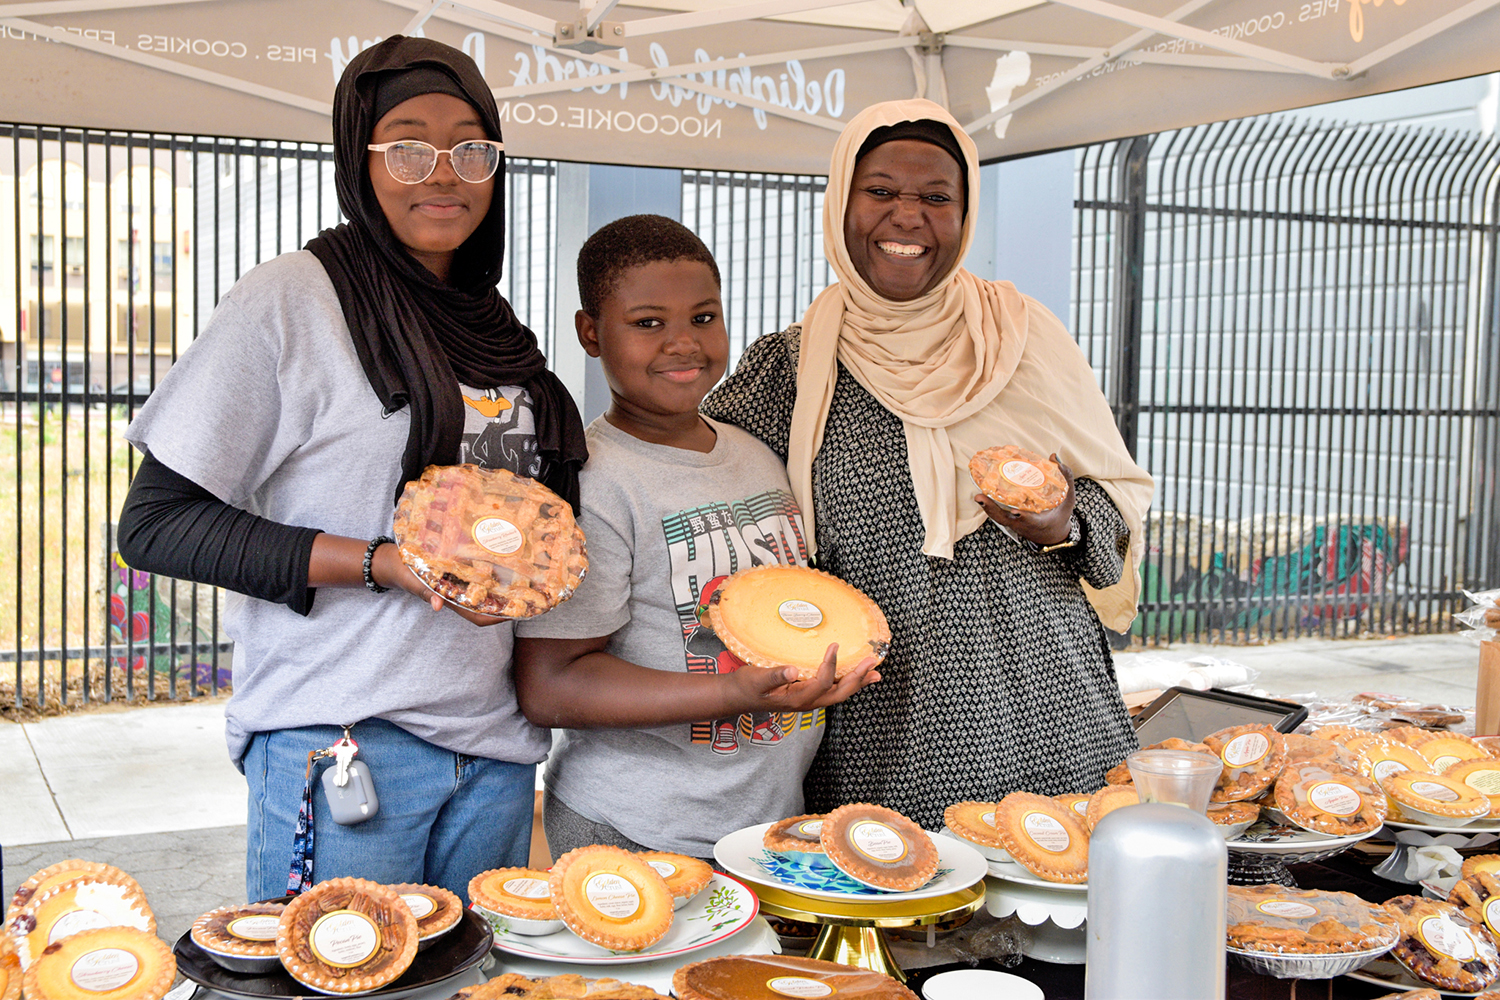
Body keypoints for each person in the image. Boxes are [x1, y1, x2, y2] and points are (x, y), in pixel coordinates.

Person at [115, 36, 586, 902]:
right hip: (343, 743)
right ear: (357, 157)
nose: (442, 172)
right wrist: (379, 563)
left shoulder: (492, 327)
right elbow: (156, 524)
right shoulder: (294, 299)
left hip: (493, 751)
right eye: (407, 144)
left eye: (470, 147)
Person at [701, 99, 1156, 829]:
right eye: (880, 191)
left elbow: (1117, 510)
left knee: (1060, 903)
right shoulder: (791, 368)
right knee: (903, 914)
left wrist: (1063, 517)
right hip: (887, 730)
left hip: (1049, 711)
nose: (907, 217)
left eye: (936, 198)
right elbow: (692, 475)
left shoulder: (1024, 337)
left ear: (964, 214)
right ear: (841, 201)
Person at [513, 214, 879, 860]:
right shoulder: (591, 483)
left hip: (760, 831)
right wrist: (730, 694)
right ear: (590, 334)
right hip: (635, 833)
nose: (682, 343)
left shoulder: (756, 456)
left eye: (703, 318)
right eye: (648, 323)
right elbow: (550, 684)